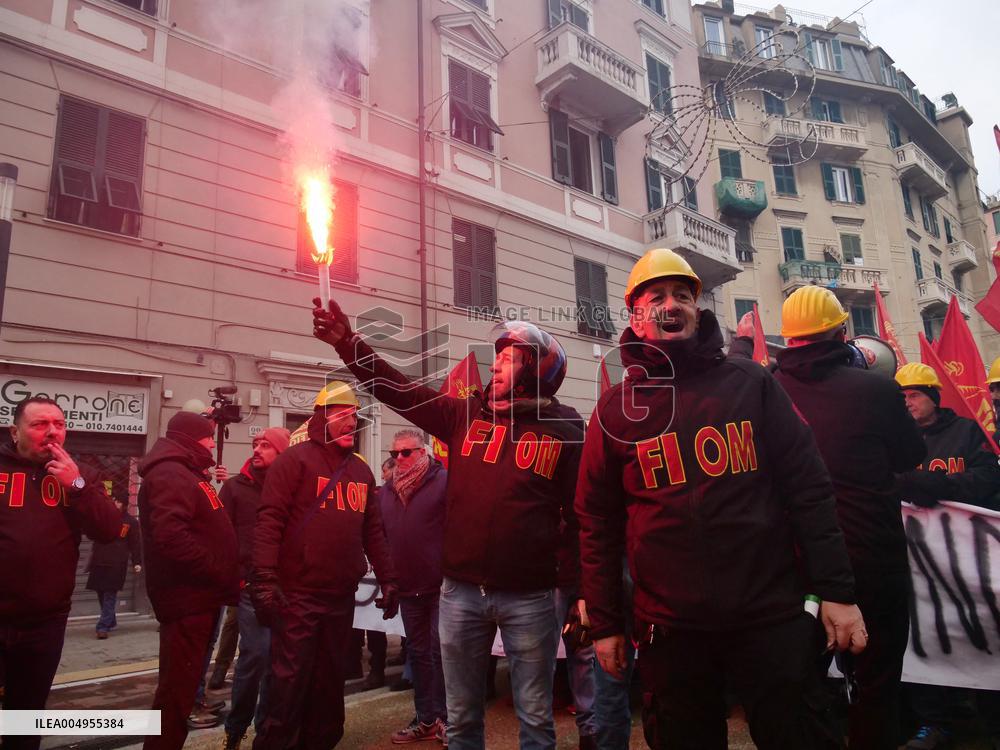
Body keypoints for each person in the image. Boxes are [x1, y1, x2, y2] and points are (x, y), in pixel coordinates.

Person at [577, 248, 867, 750]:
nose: (671, 305)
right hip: (671, 632)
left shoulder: (751, 383)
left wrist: (837, 592)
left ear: (698, 308)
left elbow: (809, 491)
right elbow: (596, 523)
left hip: (769, 617)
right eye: (657, 297)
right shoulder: (614, 412)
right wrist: (605, 624)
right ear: (636, 316)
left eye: (683, 296)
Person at [313, 298, 584, 750]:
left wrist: (578, 591)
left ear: (539, 368)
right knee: (460, 719)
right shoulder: (464, 414)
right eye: (497, 355)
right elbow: (397, 389)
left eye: (510, 357)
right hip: (459, 594)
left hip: (532, 597)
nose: (496, 364)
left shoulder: (567, 428)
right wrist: (347, 343)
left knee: (535, 717)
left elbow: (581, 517)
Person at [774, 286, 926, 750]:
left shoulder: (765, 390)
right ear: (841, 332)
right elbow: (911, 454)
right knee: (877, 683)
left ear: (789, 338)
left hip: (795, 565)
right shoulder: (878, 389)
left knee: (799, 687)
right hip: (871, 558)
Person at [252, 380, 398, 750]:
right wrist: (265, 578)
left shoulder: (362, 472)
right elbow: (269, 521)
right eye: (342, 415)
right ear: (322, 418)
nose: (351, 422)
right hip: (297, 594)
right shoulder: (293, 462)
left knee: (330, 679)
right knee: (290, 680)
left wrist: (389, 580)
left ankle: (321, 742)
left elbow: (374, 532)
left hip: (339, 597)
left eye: (354, 415)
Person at [0, 397, 121, 750]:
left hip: (44, 623)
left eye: (60, 424)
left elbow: (110, 530)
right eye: (40, 424)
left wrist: (78, 485)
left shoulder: (81, 474)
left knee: (25, 720)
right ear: (15, 430)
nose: (53, 431)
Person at [894, 363, 1000, 750]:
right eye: (901, 398)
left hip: (969, 565)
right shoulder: (894, 439)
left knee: (983, 635)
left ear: (934, 398)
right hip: (919, 567)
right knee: (923, 638)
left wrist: (939, 487)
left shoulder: (965, 432)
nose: (907, 404)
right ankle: (933, 724)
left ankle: (988, 721)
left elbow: (989, 478)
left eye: (915, 396)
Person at [138, 411, 239, 750]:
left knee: (180, 690)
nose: (213, 443)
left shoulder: (187, 472)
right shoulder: (170, 473)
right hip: (187, 600)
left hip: (198, 599)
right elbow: (172, 537)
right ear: (190, 440)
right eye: (208, 437)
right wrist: (217, 569)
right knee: (175, 693)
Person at [219, 427, 290, 750]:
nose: (257, 449)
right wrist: (237, 577)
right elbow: (221, 536)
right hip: (250, 587)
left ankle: (266, 730)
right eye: (255, 444)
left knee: (279, 660)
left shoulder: (291, 489)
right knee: (256, 655)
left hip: (285, 588)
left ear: (282, 452)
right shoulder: (235, 488)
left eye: (266, 445)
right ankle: (236, 728)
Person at [379, 429, 449, 743]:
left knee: (440, 654)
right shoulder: (387, 491)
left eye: (406, 452)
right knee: (419, 655)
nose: (399, 459)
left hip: (440, 587)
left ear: (422, 452)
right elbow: (378, 535)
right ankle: (426, 719)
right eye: (395, 454)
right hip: (408, 588)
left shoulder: (443, 481)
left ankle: (448, 720)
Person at [86, 496, 142, 640]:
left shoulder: (130, 522)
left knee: (110, 594)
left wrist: (137, 562)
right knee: (100, 592)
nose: (114, 503)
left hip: (117, 563)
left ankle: (102, 627)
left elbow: (135, 544)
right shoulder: (104, 517)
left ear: (124, 504)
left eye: (117, 501)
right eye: (113, 500)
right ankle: (110, 620)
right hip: (99, 561)